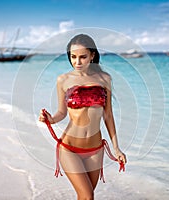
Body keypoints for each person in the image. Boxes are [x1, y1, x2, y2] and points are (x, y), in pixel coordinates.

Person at [39, 34, 127, 200]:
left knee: (87, 197)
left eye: (82, 57)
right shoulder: (63, 80)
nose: (77, 62)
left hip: (95, 150)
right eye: (73, 57)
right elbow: (62, 113)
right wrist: (50, 119)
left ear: (92, 55)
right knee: (87, 196)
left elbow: (108, 115)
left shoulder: (104, 79)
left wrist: (116, 148)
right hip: (69, 147)